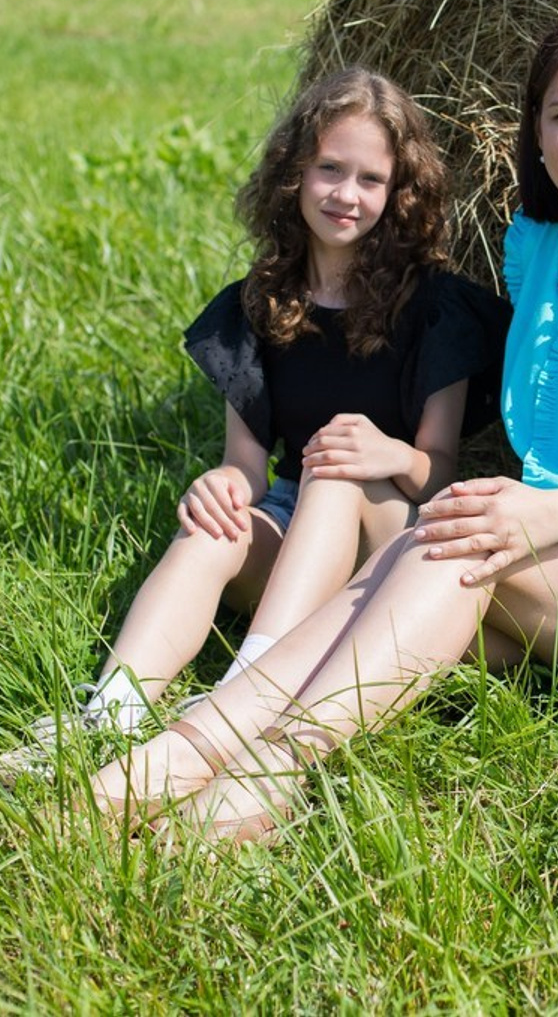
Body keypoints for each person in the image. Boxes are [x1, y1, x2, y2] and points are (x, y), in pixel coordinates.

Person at [88, 17, 558, 842]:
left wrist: (543, 514)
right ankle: (168, 761)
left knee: (454, 547)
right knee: (414, 562)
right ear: (536, 134)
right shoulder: (541, 259)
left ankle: (266, 773)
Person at [2, 66, 509, 777]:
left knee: (335, 467)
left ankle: (248, 697)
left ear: (399, 193)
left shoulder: (434, 309)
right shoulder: (258, 304)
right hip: (295, 522)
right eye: (330, 169)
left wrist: (390, 453)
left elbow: (438, 471)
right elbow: (247, 465)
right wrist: (222, 486)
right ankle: (107, 716)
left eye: (371, 179)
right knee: (211, 532)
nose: (346, 194)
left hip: (389, 537)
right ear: (294, 173)